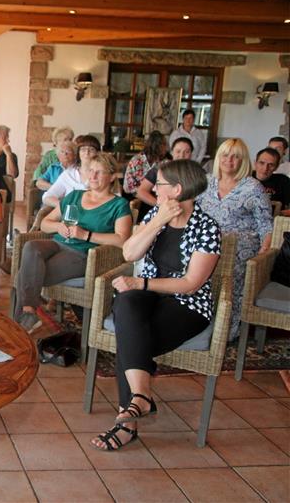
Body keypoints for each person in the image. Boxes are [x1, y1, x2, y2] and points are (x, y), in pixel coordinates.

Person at [91, 159, 221, 451]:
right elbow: (129, 253)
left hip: (188, 306)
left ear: (176, 189)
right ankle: (141, 397)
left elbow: (191, 284)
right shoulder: (155, 216)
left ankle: (127, 425)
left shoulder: (208, 228)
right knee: (126, 304)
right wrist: (159, 221)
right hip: (149, 298)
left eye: (159, 184)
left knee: (131, 336)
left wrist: (141, 284)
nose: (152, 189)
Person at [14, 153, 132, 329]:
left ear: (113, 176)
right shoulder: (75, 196)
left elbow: (123, 240)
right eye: (91, 171)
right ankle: (29, 313)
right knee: (31, 246)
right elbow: (45, 223)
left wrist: (86, 235)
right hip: (58, 243)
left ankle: (19, 323)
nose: (93, 176)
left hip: (83, 253)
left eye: (99, 172)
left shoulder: (119, 205)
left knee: (24, 274)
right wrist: (58, 227)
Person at [197, 138, 273, 340]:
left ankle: (227, 331)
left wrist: (264, 252)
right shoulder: (206, 182)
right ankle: (199, 325)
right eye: (225, 155)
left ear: (243, 161)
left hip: (240, 251)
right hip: (208, 245)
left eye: (235, 156)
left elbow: (265, 224)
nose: (229, 160)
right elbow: (192, 213)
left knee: (231, 284)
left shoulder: (252, 187)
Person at [136, 136, 194, 223]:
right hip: (155, 214)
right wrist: (161, 206)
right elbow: (141, 192)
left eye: (187, 152)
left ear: (191, 154)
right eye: (178, 151)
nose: (182, 155)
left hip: (184, 217)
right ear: (172, 153)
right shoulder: (160, 168)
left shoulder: (195, 173)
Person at [42, 134, 101, 208]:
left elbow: (115, 199)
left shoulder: (103, 175)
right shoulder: (68, 174)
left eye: (91, 149)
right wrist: (66, 207)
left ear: (98, 153)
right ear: (78, 153)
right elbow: (47, 197)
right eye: (83, 149)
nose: (87, 152)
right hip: (70, 217)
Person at [123, 130, 168, 196]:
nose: (166, 148)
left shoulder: (163, 161)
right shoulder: (138, 160)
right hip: (134, 195)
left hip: (155, 195)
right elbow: (130, 187)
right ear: (156, 146)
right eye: (164, 144)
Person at [253, 147, 290, 215]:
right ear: (255, 163)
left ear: (276, 167)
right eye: (262, 163)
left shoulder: (283, 181)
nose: (265, 168)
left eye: (271, 165)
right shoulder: (244, 178)